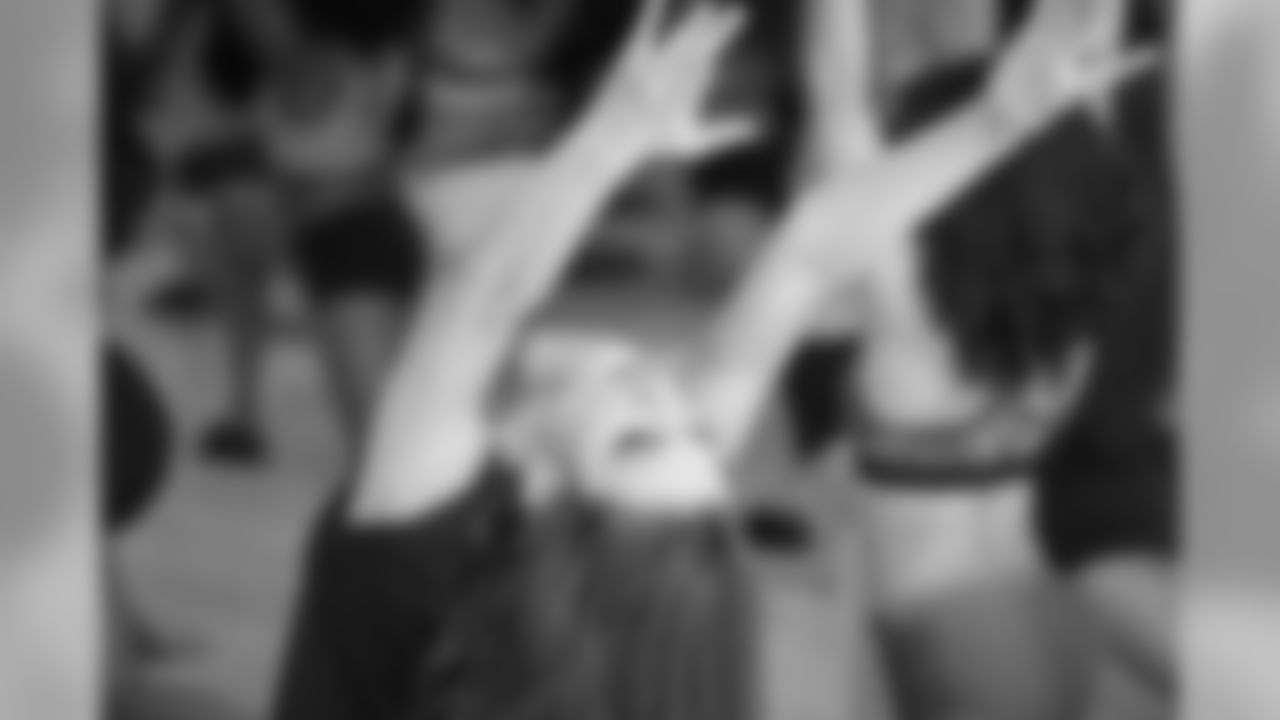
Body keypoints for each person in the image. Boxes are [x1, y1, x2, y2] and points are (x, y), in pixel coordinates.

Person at [270, 1, 1124, 718]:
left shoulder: (413, 561)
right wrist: (1000, 121)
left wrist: (612, 136)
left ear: (546, 494)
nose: (666, 391)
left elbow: (479, 297)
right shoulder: (618, 570)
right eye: (696, 436)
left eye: (638, 438)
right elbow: (811, 249)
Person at [781, 0, 1165, 719]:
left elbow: (835, 91)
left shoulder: (907, 306)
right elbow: (1084, 114)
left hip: (956, 636)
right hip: (1051, 614)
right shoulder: (1070, 306)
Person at [260, 0, 426, 444]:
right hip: (345, 241)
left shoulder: (352, 62)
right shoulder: (369, 57)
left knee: (376, 433)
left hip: (357, 244)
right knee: (376, 427)